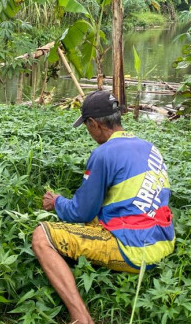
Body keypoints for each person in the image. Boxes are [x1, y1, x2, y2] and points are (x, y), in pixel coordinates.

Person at [32, 90, 175, 324]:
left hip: (135, 249)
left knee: (41, 236)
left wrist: (56, 201)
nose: (88, 132)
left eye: (87, 126)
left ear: (94, 123)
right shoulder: (149, 147)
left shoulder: (104, 153)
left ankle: (81, 318)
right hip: (163, 242)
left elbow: (81, 212)